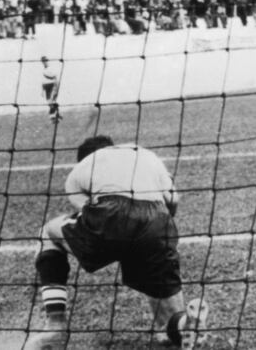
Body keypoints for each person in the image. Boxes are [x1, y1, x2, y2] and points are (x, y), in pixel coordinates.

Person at [25, 136, 209, 349]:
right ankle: (185, 323)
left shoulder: (79, 171)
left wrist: (120, 240)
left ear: (82, 159)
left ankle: (56, 326)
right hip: (158, 223)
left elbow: (88, 214)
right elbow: (173, 201)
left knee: (47, 234)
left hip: (111, 217)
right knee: (168, 319)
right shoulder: (144, 154)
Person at [40, 56, 62, 123]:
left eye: (45, 60)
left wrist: (56, 87)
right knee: (50, 102)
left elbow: (55, 77)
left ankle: (54, 116)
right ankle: (56, 115)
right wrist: (42, 90)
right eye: (43, 61)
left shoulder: (51, 68)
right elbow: (43, 81)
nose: (44, 62)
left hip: (52, 85)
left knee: (52, 101)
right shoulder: (44, 70)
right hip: (47, 86)